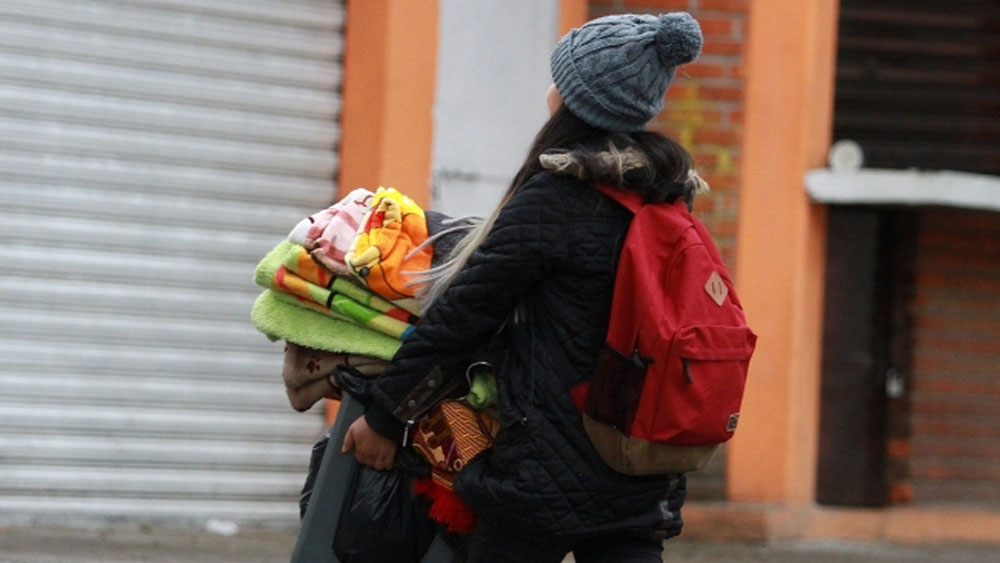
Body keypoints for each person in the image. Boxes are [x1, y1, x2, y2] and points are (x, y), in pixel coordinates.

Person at [343, 12, 705, 563]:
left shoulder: (555, 201)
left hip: (544, 478)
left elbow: (462, 319)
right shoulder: (667, 201)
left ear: (572, 101)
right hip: (640, 471)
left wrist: (384, 419)